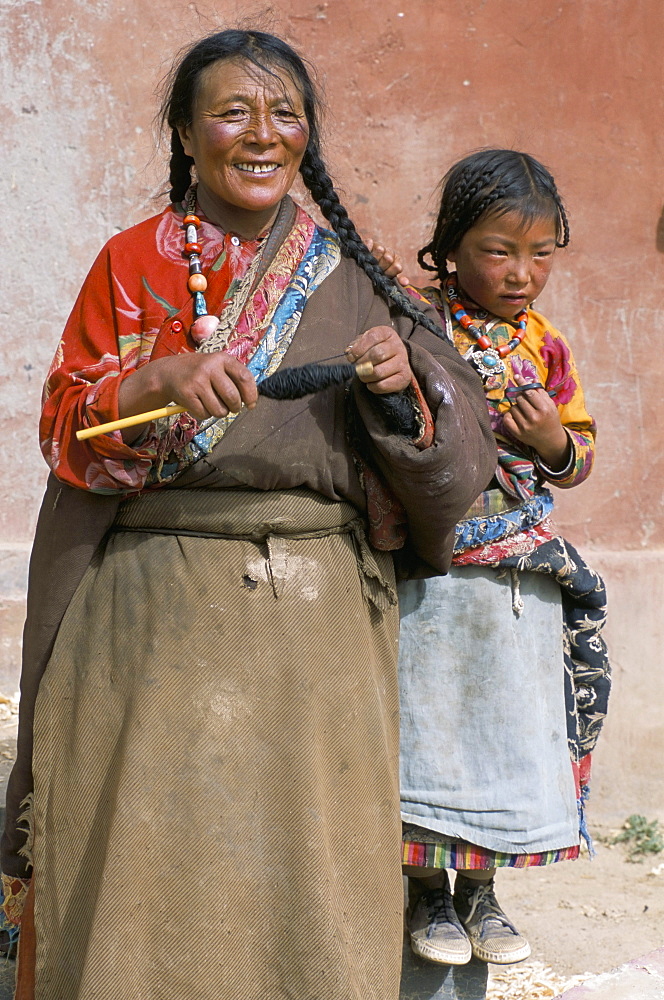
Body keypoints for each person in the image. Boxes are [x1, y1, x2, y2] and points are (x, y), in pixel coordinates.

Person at [0, 30, 496, 1000]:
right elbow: (66, 424)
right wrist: (157, 376)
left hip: (315, 635)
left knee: (302, 878)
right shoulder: (130, 264)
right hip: (148, 623)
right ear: (185, 134)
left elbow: (459, 443)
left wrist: (399, 392)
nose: (260, 135)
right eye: (231, 112)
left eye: (284, 115)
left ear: (306, 136)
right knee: (144, 868)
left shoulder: (355, 272)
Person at [372, 149, 610, 967]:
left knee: (503, 730)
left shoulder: (545, 346)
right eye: (499, 252)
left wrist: (548, 440)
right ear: (451, 245)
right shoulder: (415, 326)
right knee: (431, 732)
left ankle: (484, 895)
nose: (521, 274)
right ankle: (425, 894)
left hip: (516, 572)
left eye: (541, 254)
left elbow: (576, 459)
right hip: (434, 570)